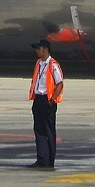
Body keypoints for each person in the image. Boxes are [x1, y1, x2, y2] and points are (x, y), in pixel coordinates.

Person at [28, 38, 63, 169]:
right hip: (38, 99)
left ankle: (49, 161)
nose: (37, 51)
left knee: (49, 131)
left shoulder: (53, 65)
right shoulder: (39, 63)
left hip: (47, 101)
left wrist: (52, 100)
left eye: (39, 49)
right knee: (39, 131)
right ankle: (42, 159)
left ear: (46, 50)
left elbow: (60, 84)